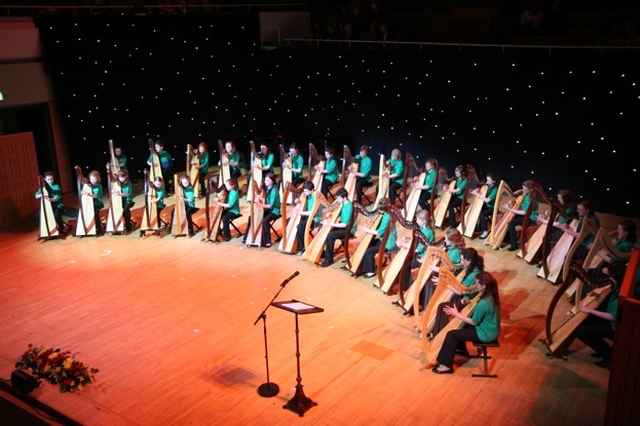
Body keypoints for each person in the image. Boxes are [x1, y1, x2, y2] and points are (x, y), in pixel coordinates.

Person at [432, 271, 500, 374]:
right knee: (461, 326)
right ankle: (461, 350)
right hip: (492, 330)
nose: (475, 286)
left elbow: (474, 322)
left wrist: (456, 314)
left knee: (451, 335)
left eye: (477, 284)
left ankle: (446, 366)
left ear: (484, 285)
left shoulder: (484, 303)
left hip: (485, 334)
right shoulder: (492, 296)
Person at [360, 198, 397, 278]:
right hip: (383, 239)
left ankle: (371, 271)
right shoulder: (386, 214)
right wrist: (373, 221)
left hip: (388, 243)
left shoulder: (387, 217)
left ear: (384, 209)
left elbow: (378, 232)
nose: (379, 211)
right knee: (368, 244)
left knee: (369, 251)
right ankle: (363, 264)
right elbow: (382, 225)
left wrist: (365, 229)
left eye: (380, 210)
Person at [244, 172, 280, 248]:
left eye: (267, 180)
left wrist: (259, 205)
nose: (265, 182)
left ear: (272, 181)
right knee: (251, 218)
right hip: (266, 210)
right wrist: (256, 186)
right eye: (265, 180)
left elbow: (270, 206)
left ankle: (267, 241)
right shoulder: (266, 188)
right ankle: (246, 237)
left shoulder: (274, 190)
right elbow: (260, 193)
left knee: (265, 221)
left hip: (274, 211)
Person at [320, 187, 353, 267]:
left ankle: (329, 259)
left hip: (348, 229)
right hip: (342, 226)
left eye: (339, 198)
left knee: (330, 235)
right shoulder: (343, 204)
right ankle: (325, 253)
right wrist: (330, 214)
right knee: (327, 232)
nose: (337, 199)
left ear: (344, 198)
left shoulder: (349, 207)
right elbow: (338, 213)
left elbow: (344, 224)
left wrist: (330, 224)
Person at [505, 179, 539, 251]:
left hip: (530, 218)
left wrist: (510, 209)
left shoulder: (533, 198)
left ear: (531, 190)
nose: (523, 190)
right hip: (525, 216)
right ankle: (508, 238)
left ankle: (514, 245)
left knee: (511, 223)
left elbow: (525, 212)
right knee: (509, 218)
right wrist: (512, 202)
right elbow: (520, 203)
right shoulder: (526, 195)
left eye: (524, 189)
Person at [293, 180, 318, 255]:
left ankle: (303, 248)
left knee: (300, 227)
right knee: (290, 221)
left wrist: (299, 212)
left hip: (314, 219)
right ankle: (295, 244)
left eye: (306, 191)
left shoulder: (315, 197)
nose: (305, 193)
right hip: (307, 216)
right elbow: (302, 202)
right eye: (304, 191)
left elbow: (312, 212)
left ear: (312, 190)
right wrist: (298, 201)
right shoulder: (308, 195)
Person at [473, 172, 500, 239]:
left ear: (494, 181)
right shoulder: (489, 186)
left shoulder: (495, 189)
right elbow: (483, 192)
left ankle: (485, 231)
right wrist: (478, 190)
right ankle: (479, 227)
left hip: (492, 207)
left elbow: (487, 200)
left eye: (489, 180)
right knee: (477, 209)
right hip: (487, 206)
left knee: (482, 214)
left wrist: (477, 194)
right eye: (487, 180)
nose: (487, 181)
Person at [446, 165, 468, 229]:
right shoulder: (457, 179)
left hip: (462, 198)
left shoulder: (465, 180)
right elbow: (452, 186)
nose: (456, 175)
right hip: (457, 197)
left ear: (462, 173)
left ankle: (453, 224)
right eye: (456, 173)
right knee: (447, 202)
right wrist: (447, 186)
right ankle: (451, 218)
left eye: (458, 174)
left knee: (451, 206)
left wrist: (448, 190)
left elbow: (457, 190)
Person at [86, 170, 104, 236]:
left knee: (96, 214)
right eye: (91, 179)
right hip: (90, 203)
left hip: (97, 203)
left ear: (97, 179)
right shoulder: (88, 185)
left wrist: (90, 195)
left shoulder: (99, 186)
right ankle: (89, 228)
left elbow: (97, 196)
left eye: (94, 179)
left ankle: (99, 230)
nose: (93, 180)